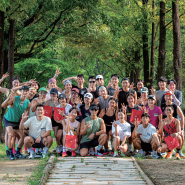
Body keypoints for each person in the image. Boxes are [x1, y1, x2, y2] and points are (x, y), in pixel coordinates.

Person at [2, 86, 31, 160]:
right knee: (11, 135)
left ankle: (17, 153)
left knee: (23, 135)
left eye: (26, 91)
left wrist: (24, 118)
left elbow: (26, 112)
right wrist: (8, 99)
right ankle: (11, 154)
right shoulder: (15, 98)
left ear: (28, 92)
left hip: (16, 121)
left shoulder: (28, 102)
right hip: (8, 120)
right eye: (23, 91)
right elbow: (3, 105)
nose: (25, 92)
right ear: (21, 92)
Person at [161, 91, 184, 157]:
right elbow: (159, 117)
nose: (168, 97)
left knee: (181, 135)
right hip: (165, 126)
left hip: (174, 126)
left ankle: (179, 151)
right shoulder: (162, 105)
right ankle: (165, 151)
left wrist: (182, 129)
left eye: (169, 96)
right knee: (159, 134)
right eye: (166, 96)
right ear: (164, 97)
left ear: (172, 97)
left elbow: (182, 117)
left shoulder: (175, 106)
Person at [45, 88, 59, 152]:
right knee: (48, 133)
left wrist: (56, 105)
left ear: (57, 95)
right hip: (49, 118)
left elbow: (59, 111)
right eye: (52, 95)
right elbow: (46, 109)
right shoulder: (48, 101)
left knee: (56, 134)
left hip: (56, 119)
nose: (53, 96)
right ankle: (47, 147)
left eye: (54, 95)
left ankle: (58, 146)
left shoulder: (59, 101)